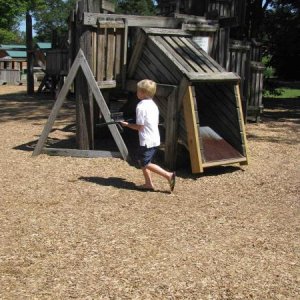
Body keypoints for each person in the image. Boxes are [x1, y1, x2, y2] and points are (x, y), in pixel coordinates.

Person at [120, 79, 176, 192]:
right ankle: (148, 184)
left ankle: (168, 175)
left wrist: (127, 125)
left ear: (143, 93)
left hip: (146, 140)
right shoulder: (153, 104)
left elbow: (139, 127)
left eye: (138, 91)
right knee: (143, 161)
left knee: (144, 163)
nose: (137, 92)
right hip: (154, 138)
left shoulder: (140, 106)